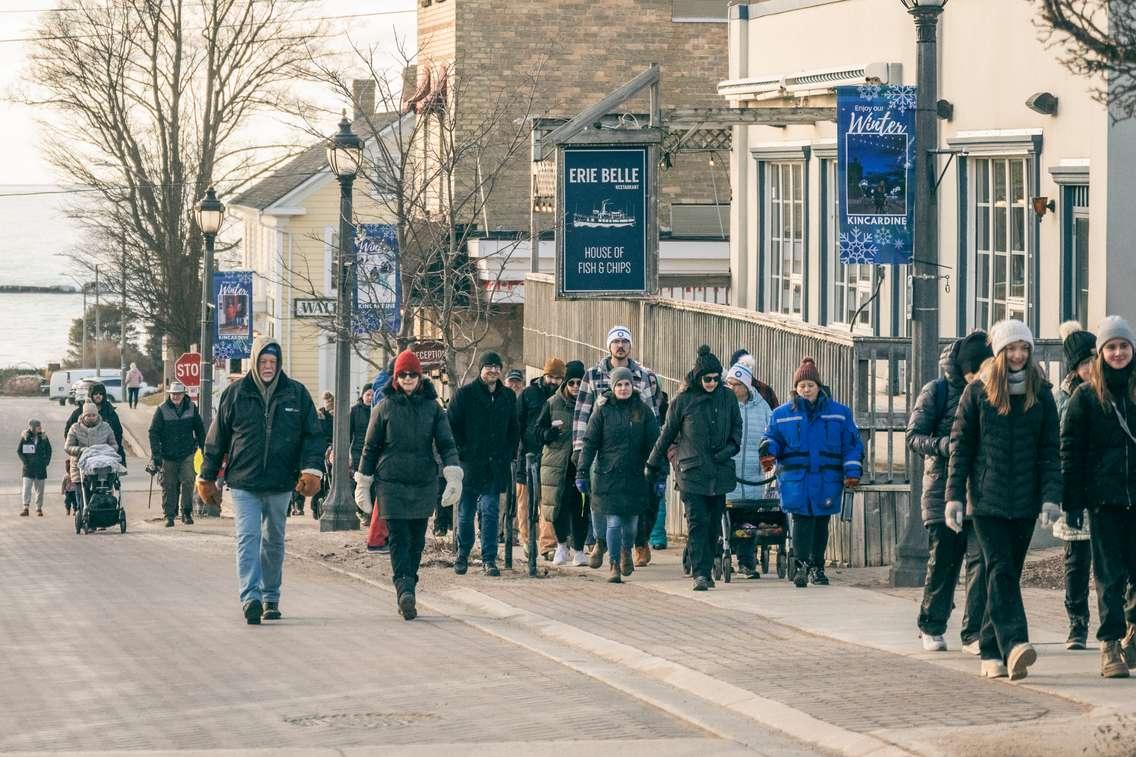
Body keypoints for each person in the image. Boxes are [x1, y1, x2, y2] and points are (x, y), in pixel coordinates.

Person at [946, 320, 1060, 681]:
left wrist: (1050, 498)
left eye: (1023, 348)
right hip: (987, 499)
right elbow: (961, 449)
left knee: (1006, 571)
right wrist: (953, 497)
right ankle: (1015, 643)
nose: (1017, 355)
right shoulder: (977, 393)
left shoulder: (1040, 393)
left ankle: (992, 652)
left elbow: (1050, 451)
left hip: (1025, 502)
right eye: (1011, 348)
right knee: (1001, 568)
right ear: (998, 353)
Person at [197, 337, 325, 625]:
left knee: (274, 541)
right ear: (254, 362)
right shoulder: (235, 394)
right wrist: (207, 477)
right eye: (263, 362)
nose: (268, 367)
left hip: (281, 483)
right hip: (244, 482)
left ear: (279, 364)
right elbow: (216, 441)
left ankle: (270, 597)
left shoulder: (296, 394)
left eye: (273, 362)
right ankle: (250, 598)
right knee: (248, 538)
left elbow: (313, 437)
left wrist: (312, 470)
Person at [354, 350, 463, 620]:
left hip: (423, 481)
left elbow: (447, 443)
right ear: (396, 377)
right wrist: (363, 482)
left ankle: (408, 586)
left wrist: (453, 474)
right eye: (403, 374)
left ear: (420, 376)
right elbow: (370, 448)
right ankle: (404, 589)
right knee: (399, 539)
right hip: (390, 483)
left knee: (416, 541)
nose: (408, 378)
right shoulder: (384, 407)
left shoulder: (433, 408)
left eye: (412, 374)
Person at [906, 331, 992, 653]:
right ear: (964, 368)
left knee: (979, 563)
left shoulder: (990, 390)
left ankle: (973, 633)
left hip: (981, 491)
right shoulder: (937, 391)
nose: (981, 375)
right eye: (976, 369)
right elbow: (913, 436)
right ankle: (931, 623)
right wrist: (947, 446)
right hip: (942, 489)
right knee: (944, 560)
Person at [1060, 315, 1136, 678]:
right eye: (1111, 347)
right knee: (1109, 575)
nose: (1118, 352)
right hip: (1104, 500)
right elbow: (1071, 452)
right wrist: (1072, 502)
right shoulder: (1086, 398)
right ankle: (1110, 645)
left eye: (1123, 346)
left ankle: (1132, 634)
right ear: (1101, 353)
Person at [646, 345, 742, 591]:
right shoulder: (683, 401)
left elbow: (736, 430)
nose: (711, 383)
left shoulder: (728, 397)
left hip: (719, 471)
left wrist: (729, 450)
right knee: (697, 522)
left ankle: (707, 567)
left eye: (715, 378)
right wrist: (652, 462)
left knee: (713, 525)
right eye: (706, 378)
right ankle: (700, 572)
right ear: (698, 377)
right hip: (692, 472)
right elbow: (667, 434)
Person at [762, 357, 863, 589]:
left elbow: (851, 445)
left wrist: (851, 471)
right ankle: (800, 566)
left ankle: (817, 566)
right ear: (795, 389)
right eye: (802, 386)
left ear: (819, 386)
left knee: (821, 521)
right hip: (796, 478)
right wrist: (768, 453)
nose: (806, 390)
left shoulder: (840, 413)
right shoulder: (781, 414)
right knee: (801, 520)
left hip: (827, 477)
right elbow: (772, 439)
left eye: (810, 385)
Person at [578, 366, 660, 583]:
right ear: (612, 387)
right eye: (619, 385)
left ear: (632, 386)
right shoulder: (603, 411)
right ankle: (614, 564)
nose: (623, 388)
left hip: (635, 478)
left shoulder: (643, 411)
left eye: (627, 384)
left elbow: (655, 445)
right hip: (608, 476)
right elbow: (590, 443)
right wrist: (582, 471)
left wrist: (659, 475)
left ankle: (626, 551)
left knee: (631, 527)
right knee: (613, 523)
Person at [447, 350, 520, 576]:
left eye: (497, 367)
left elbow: (513, 429)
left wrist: (508, 453)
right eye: (489, 366)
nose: (493, 371)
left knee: (490, 511)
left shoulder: (507, 396)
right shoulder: (464, 395)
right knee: (466, 512)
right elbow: (451, 426)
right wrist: (462, 452)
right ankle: (463, 554)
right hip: (469, 464)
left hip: (495, 465)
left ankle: (489, 559)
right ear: (481, 369)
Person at [723, 362, 774, 578]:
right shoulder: (724, 405)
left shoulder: (762, 408)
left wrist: (767, 462)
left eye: (735, 384)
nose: (731, 387)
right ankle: (722, 554)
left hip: (753, 476)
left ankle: (746, 563)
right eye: (729, 383)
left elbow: (770, 436)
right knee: (726, 518)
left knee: (747, 522)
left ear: (745, 385)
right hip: (729, 473)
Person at [537, 360, 589, 566]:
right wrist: (548, 433)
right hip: (557, 465)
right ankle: (560, 546)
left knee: (581, 508)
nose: (576, 387)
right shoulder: (552, 403)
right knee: (558, 507)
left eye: (579, 383)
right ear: (565, 384)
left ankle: (579, 549)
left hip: (581, 464)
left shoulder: (590, 403)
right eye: (571, 383)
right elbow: (537, 432)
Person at [517, 357, 565, 560]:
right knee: (524, 501)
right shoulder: (528, 394)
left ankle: (547, 544)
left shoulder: (561, 397)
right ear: (544, 375)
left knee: (547, 503)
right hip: (527, 453)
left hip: (551, 456)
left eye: (558, 378)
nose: (553, 381)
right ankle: (526, 540)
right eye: (550, 377)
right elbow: (517, 423)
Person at [148, 381, 206, 527]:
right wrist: (156, 455)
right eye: (173, 394)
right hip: (167, 454)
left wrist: (204, 447)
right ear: (170, 395)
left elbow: (199, 429)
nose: (176, 396)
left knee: (188, 482)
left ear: (183, 395)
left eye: (178, 394)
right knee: (169, 485)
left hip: (187, 452)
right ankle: (169, 516)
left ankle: (186, 512)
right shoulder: (161, 409)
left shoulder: (192, 408)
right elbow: (153, 432)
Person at [292, 391, 335, 517]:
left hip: (325, 449)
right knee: (305, 478)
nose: (329, 404)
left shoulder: (332, 416)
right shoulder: (317, 415)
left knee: (320, 479)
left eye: (330, 401)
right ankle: (298, 505)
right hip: (314, 449)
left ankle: (312, 505)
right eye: (327, 401)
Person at [65, 382, 124, 463]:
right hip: (82, 455)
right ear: (91, 395)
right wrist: (77, 450)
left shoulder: (110, 412)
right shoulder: (79, 412)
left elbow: (118, 432)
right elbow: (68, 432)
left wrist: (112, 450)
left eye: (101, 393)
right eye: (95, 393)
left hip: (105, 456)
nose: (98, 395)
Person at [65, 403, 118, 491]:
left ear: (97, 415)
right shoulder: (75, 428)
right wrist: (81, 450)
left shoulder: (106, 427)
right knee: (82, 499)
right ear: (83, 416)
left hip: (102, 466)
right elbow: (68, 447)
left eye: (93, 415)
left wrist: (106, 450)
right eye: (88, 415)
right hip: (80, 468)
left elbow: (114, 445)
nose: (91, 417)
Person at [17, 419, 51, 517]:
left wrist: (46, 462)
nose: (40, 428)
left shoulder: (44, 437)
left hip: (40, 468)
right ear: (32, 427)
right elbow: (19, 451)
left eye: (40, 426)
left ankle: (38, 508)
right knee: (26, 488)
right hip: (28, 469)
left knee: (40, 490)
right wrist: (25, 462)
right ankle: (26, 508)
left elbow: (49, 450)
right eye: (37, 426)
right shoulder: (25, 437)